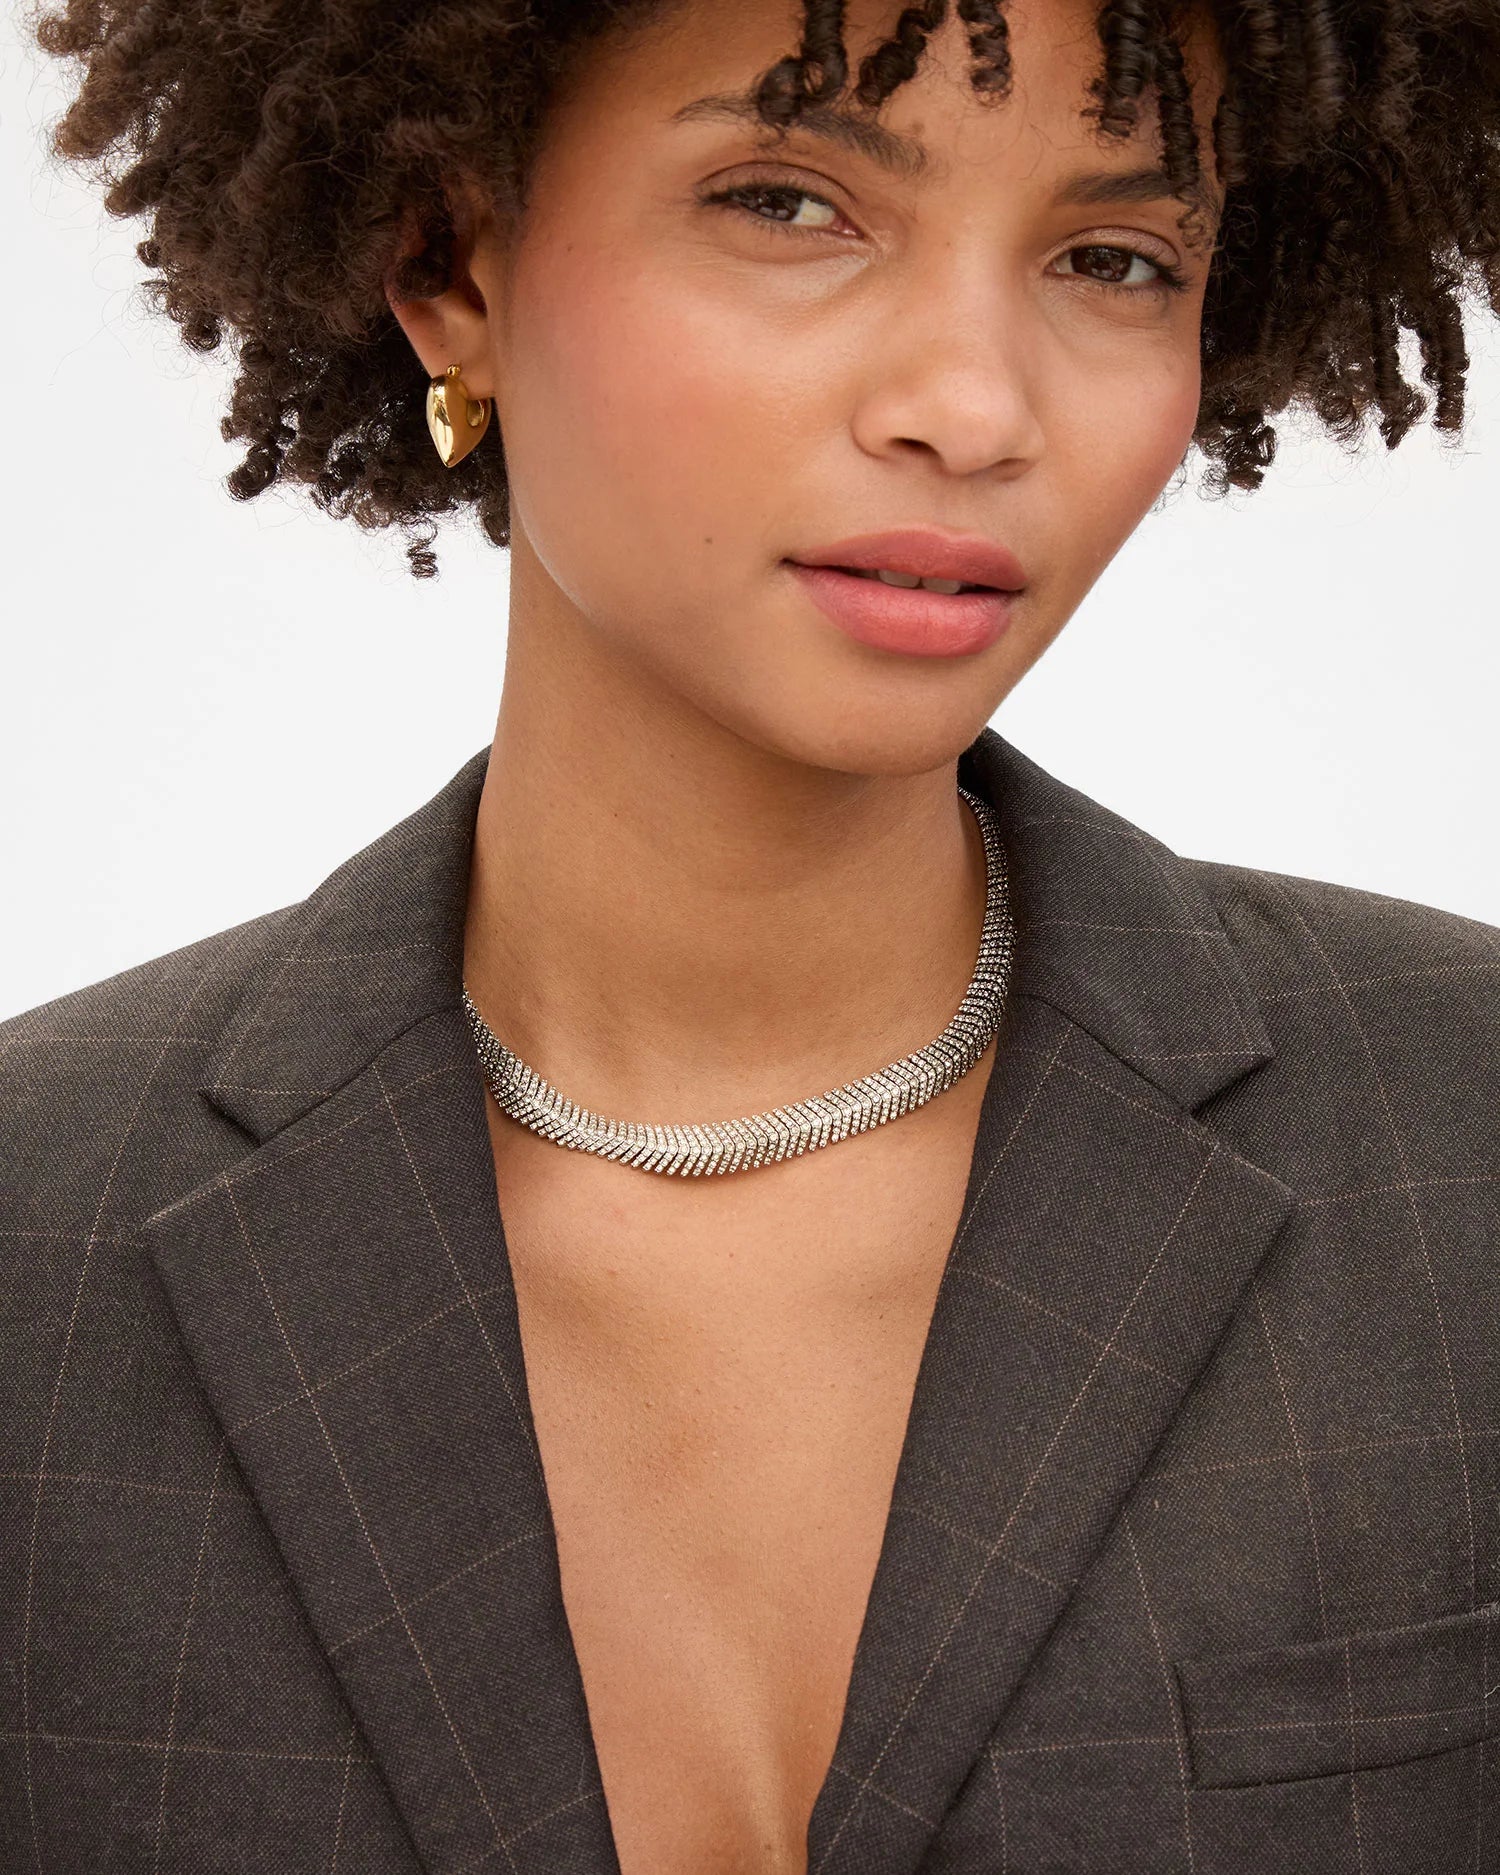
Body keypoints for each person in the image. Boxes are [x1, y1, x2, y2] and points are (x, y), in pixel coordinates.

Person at [5, 0, 1499, 1870]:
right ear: (446, 262)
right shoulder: (28, 1243)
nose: (973, 405)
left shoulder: (1469, 1149)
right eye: (790, 204)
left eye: (1113, 258)